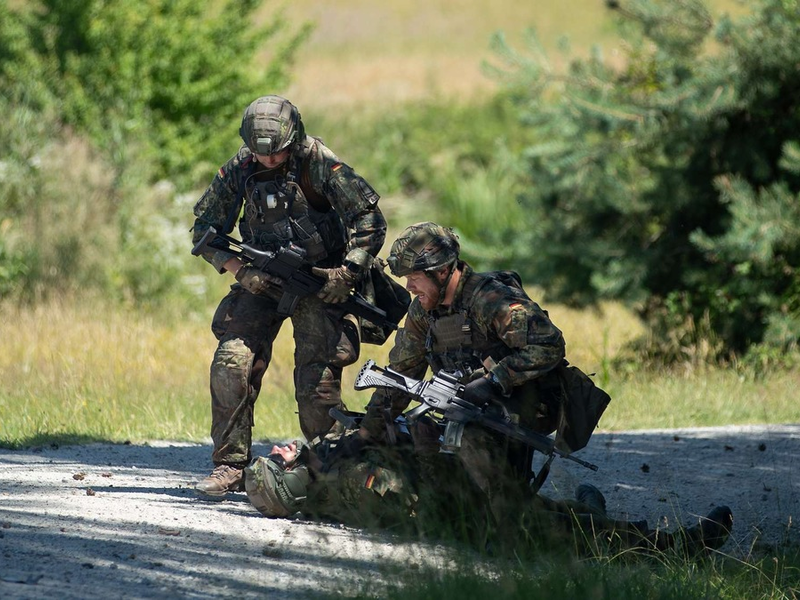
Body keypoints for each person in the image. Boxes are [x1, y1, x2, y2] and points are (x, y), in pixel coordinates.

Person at [191, 95, 386, 497]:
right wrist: (241, 272)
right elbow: (204, 231)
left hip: (320, 283)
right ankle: (229, 466)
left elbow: (369, 219)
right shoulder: (240, 168)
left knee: (316, 384)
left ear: (292, 138)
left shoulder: (318, 163)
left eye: (277, 153)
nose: (268, 161)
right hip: (261, 281)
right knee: (231, 363)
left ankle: (330, 470)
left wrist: (347, 272)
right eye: (261, 154)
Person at [352, 221, 592, 524]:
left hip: (528, 405)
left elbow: (549, 345)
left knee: (507, 509)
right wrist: (366, 433)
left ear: (442, 272)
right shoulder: (423, 311)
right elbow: (401, 372)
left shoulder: (490, 300)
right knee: (423, 438)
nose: (409, 287)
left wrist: (493, 381)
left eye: (414, 277)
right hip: (473, 410)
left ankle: (633, 537)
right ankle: (575, 508)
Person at [243, 422, 734, 558]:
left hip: (473, 500)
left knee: (562, 512)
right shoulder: (350, 486)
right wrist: (424, 447)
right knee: (568, 532)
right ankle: (676, 547)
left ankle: (587, 508)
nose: (280, 447)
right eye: (276, 460)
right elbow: (421, 500)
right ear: (289, 483)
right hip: (475, 520)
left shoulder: (331, 468)